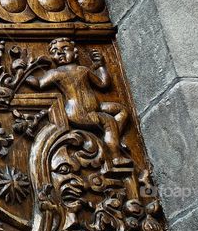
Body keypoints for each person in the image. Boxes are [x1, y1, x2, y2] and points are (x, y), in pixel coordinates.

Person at [28, 38, 130, 166]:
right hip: (78, 112)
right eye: (55, 51)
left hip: (95, 108)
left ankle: (113, 141)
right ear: (52, 57)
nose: (60, 53)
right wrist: (26, 74)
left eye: (65, 49)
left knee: (122, 110)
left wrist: (100, 65)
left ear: (75, 52)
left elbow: (103, 84)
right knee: (109, 122)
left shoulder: (83, 70)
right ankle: (116, 156)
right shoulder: (56, 73)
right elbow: (39, 84)